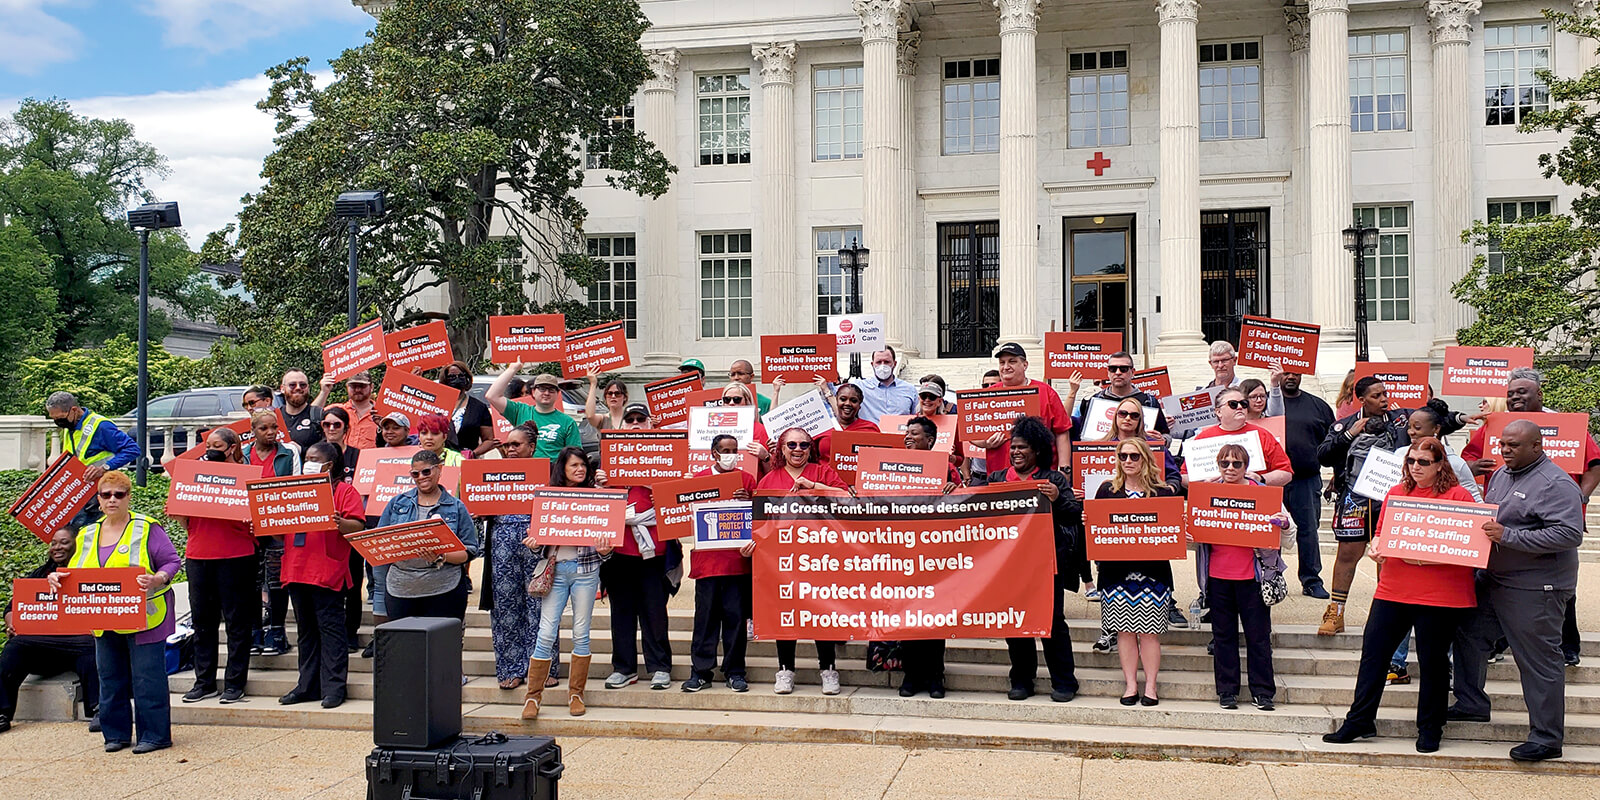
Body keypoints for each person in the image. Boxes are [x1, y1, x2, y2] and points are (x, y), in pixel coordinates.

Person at [1323, 437, 1478, 753]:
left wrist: (1429, 553)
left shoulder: (1458, 496)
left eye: (1424, 462)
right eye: (1411, 461)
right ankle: (1360, 719)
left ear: (1439, 465)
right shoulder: (1396, 492)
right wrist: (1377, 547)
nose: (1416, 467)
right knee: (1374, 654)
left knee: (1433, 661)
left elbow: (1469, 544)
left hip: (1440, 592)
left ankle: (1430, 727)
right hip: (1395, 587)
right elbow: (1381, 532)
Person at [1451, 419, 1585, 762]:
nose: (1505, 451)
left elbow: (1569, 534)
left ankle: (1546, 738)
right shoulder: (1502, 474)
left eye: (1513, 446)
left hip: (1536, 586)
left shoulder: (1555, 483)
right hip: (1496, 579)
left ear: (1537, 447)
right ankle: (1471, 703)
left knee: (1538, 660)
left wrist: (1509, 537)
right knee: (1467, 633)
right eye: (1503, 445)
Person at [1460, 367, 1600, 667]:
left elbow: (1595, 464)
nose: (1514, 398)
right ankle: (1498, 643)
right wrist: (1473, 467)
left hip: (1552, 520)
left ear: (1539, 394)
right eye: (1510, 394)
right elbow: (1467, 459)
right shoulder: (1495, 425)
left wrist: (1582, 496)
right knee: (1498, 591)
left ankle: (1567, 646)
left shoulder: (1565, 424)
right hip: (1505, 519)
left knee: (1557, 588)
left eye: (1521, 392)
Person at [54, 472, 180, 753]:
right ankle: (116, 735)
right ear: (98, 499)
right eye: (106, 494)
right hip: (103, 618)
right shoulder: (87, 533)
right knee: (109, 678)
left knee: (148, 679)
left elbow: (172, 561)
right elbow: (73, 573)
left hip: (146, 617)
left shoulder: (147, 527)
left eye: (119, 494)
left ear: (128, 497)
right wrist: (57, 577)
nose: (112, 500)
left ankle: (155, 735)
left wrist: (157, 578)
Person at [973, 416, 1081, 702]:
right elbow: (975, 513)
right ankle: (1022, 680)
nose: (1016, 452)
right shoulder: (996, 479)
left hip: (1046, 565)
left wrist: (1058, 497)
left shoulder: (1053, 479)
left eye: (1023, 448)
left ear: (1037, 452)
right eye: (1013, 448)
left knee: (1053, 624)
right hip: (1010, 567)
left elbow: (1073, 515)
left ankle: (1064, 682)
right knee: (1017, 623)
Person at [521, 448, 614, 719]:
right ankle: (533, 696)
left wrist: (606, 550)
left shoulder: (597, 497)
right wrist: (535, 544)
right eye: (574, 465)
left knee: (581, 632)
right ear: (562, 468)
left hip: (586, 571)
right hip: (556, 570)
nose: (580, 470)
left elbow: (607, 547)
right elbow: (538, 541)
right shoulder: (547, 497)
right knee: (546, 632)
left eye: (583, 465)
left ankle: (576, 693)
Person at [756, 427, 849, 695]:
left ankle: (829, 669)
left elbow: (846, 499)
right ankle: (785, 670)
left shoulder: (823, 473)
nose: (798, 450)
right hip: (782, 561)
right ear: (782, 449)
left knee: (822, 612)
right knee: (785, 614)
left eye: (804, 445)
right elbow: (761, 521)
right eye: (792, 445)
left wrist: (816, 487)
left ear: (811, 448)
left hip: (820, 559)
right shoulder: (769, 480)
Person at [1201, 443, 1291, 712]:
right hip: (1218, 576)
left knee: (1258, 637)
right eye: (1224, 463)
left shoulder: (1262, 494)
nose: (1230, 468)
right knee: (1223, 636)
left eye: (1236, 464)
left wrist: (1283, 524)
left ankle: (1263, 692)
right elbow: (1196, 536)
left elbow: (1289, 535)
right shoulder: (1208, 492)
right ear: (1218, 465)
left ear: (1246, 466)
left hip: (1253, 578)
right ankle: (1227, 691)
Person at [1316, 377, 1409, 635]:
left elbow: (1433, 419)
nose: (1384, 400)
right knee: (1347, 555)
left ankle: (1383, 618)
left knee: (1387, 557)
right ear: (1362, 399)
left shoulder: (1401, 419)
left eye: (1385, 394)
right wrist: (1349, 434)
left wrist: (1456, 419)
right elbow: (1323, 456)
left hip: (1391, 499)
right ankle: (1336, 613)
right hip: (1354, 498)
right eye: (1377, 396)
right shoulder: (1344, 425)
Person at [173, 428, 257, 705]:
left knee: (237, 623)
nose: (210, 449)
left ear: (233, 447)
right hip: (199, 555)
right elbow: (181, 517)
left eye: (217, 445)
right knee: (203, 622)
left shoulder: (248, 475)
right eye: (207, 445)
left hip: (236, 555)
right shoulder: (194, 476)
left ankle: (235, 683)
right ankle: (204, 681)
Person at [279, 442, 365, 709]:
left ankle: (334, 687)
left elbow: (358, 526)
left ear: (329, 464)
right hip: (296, 568)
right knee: (306, 633)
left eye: (314, 458)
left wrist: (339, 522)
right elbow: (278, 528)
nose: (308, 461)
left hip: (327, 570)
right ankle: (307, 686)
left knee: (331, 631)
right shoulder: (296, 489)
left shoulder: (343, 490)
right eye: (307, 457)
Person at [1094, 437, 1178, 706]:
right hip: (1116, 575)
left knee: (1150, 633)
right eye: (1123, 456)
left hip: (1152, 575)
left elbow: (1170, 533)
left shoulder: (1164, 493)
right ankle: (1131, 685)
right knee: (1124, 632)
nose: (1128, 461)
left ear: (1145, 459)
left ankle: (1151, 687)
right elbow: (1097, 530)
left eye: (1134, 456)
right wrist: (1089, 521)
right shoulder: (1107, 490)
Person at [601, 404, 675, 691]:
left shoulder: (667, 460)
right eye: (629, 419)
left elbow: (680, 500)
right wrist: (602, 486)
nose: (634, 424)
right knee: (621, 612)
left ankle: (659, 666)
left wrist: (664, 493)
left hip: (654, 551)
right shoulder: (610, 462)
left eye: (639, 419)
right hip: (620, 551)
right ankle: (624, 667)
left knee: (654, 612)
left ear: (649, 424)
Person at [1, 528, 99, 734]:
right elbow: (12, 608)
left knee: (92, 648)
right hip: (41, 645)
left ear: (77, 544)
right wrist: (13, 624)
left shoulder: (90, 572)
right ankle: (2, 713)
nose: (57, 547)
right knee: (14, 647)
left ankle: (98, 709)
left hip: (78, 645)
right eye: (54, 543)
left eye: (64, 542)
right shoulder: (39, 575)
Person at [683, 434, 757, 693]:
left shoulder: (747, 480)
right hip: (707, 564)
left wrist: (746, 501)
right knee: (705, 621)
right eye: (724, 450)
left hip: (737, 563)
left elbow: (758, 517)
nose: (730, 454)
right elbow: (681, 514)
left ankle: (735, 671)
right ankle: (701, 671)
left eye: (734, 450)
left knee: (736, 621)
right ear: (713, 453)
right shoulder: (698, 480)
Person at [897, 417, 961, 698]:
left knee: (934, 618)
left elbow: (966, 503)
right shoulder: (890, 468)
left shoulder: (946, 469)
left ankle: (936, 675)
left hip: (936, 557)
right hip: (901, 554)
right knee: (908, 616)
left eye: (914, 434)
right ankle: (911, 675)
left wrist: (955, 491)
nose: (908, 438)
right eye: (906, 434)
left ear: (931, 441)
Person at [375, 450, 480, 621]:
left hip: (444, 589)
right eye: (415, 473)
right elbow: (381, 542)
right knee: (403, 645)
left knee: (441, 645)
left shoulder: (456, 506)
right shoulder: (397, 503)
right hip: (400, 589)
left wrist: (442, 555)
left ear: (439, 469)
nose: (421, 477)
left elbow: (469, 551)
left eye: (426, 471)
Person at [487, 427, 547, 690]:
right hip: (502, 545)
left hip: (535, 544)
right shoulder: (491, 475)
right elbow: (479, 505)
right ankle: (511, 668)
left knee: (539, 606)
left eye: (516, 445)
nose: (510, 449)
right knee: (506, 608)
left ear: (531, 447)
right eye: (507, 445)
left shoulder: (546, 474)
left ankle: (544, 669)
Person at [1266, 368, 1335, 599]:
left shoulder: (1318, 406)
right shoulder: (1264, 403)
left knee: (1308, 531)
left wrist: (1336, 473)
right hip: (1271, 481)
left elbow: (1332, 443)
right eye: (1286, 373)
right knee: (1269, 531)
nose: (1291, 377)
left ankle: (1311, 580)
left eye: (1296, 373)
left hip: (1306, 478)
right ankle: (1271, 577)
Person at [243, 409, 301, 657]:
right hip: (248, 528)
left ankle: (277, 631)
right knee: (252, 581)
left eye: (273, 427)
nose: (270, 433)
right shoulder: (243, 455)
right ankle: (255, 630)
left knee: (277, 579)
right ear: (253, 431)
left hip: (278, 526)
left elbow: (296, 485)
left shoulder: (289, 453)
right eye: (263, 428)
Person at [46, 391, 141, 529]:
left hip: (98, 492)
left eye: (60, 418)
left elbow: (132, 449)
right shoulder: (70, 427)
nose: (58, 423)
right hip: (78, 491)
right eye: (54, 419)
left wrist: (104, 468)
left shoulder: (101, 426)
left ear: (74, 410)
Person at [983, 343, 1074, 475]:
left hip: (1042, 475)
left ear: (1025, 365)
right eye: (1002, 363)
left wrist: (1065, 469)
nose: (1006, 367)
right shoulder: (988, 394)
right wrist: (986, 443)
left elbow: (1062, 431)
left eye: (1012, 362)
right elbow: (972, 434)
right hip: (1000, 475)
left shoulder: (1046, 392)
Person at [318, 406, 366, 653]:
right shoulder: (314, 454)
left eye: (337, 424)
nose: (332, 429)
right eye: (327, 424)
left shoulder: (360, 456)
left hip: (351, 527)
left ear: (347, 429)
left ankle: (351, 631)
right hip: (321, 536)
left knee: (353, 582)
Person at [488, 366, 582, 458]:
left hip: (553, 471)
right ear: (533, 392)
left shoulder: (568, 422)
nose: (546, 393)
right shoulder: (520, 411)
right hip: (525, 470)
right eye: (542, 389)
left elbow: (574, 456)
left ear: (557, 393)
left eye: (551, 390)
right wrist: (512, 369)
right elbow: (492, 396)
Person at [1072, 351, 1166, 442]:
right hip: (1100, 456)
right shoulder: (1093, 401)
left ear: (1133, 372)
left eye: (1123, 369)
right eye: (1113, 369)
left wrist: (1163, 440)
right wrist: (1072, 392)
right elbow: (1074, 429)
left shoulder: (1149, 402)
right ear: (1108, 372)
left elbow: (1166, 434)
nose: (1118, 372)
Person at [845, 347, 918, 424]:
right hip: (870, 433)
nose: (882, 366)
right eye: (878, 362)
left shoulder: (909, 389)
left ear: (894, 364)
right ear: (872, 364)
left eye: (887, 362)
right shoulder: (859, 387)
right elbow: (835, 394)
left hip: (899, 434)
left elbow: (917, 417)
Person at [438, 361, 497, 456]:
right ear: (445, 380)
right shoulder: (436, 405)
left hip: (468, 461)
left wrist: (472, 454)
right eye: (452, 377)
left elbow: (489, 440)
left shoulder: (479, 407)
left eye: (461, 376)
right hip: (439, 460)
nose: (457, 380)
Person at [814, 383, 880, 461]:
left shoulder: (870, 428)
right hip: (824, 472)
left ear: (859, 405)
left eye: (854, 400)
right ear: (837, 401)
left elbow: (877, 459)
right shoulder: (822, 427)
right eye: (843, 399)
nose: (848, 403)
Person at [718, 383, 775, 467]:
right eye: (727, 399)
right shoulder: (712, 429)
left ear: (747, 402)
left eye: (737, 399)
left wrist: (765, 457)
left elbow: (772, 472)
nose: (731, 403)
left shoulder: (760, 430)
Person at [321, 371, 378, 449]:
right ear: (347, 387)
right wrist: (324, 392)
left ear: (371, 387)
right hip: (341, 459)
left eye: (362, 386)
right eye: (353, 386)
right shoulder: (336, 410)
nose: (357, 389)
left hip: (371, 459)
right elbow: (309, 416)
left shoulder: (381, 413)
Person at [278, 369, 326, 449]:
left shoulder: (319, 415)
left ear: (308, 388)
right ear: (282, 388)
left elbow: (329, 450)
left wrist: (301, 450)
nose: (298, 388)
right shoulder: (274, 417)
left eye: (303, 385)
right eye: (292, 385)